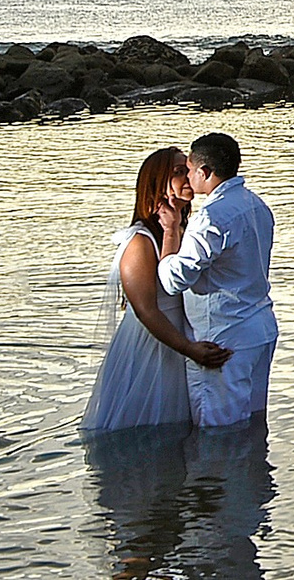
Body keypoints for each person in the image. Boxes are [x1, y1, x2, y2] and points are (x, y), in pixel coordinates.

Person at [80, 146, 230, 431]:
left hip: (181, 341)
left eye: (188, 169)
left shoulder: (187, 229)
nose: (188, 176)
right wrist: (189, 349)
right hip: (151, 345)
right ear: (157, 184)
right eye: (178, 172)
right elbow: (146, 310)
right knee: (147, 429)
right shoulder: (140, 241)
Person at [155, 131, 279, 428]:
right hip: (260, 329)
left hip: (223, 338)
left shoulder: (211, 217)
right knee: (253, 425)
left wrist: (170, 232)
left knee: (219, 430)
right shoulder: (257, 205)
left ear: (205, 172)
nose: (187, 177)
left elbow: (173, 280)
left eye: (189, 170)